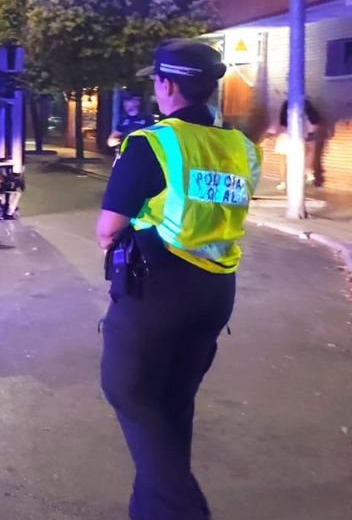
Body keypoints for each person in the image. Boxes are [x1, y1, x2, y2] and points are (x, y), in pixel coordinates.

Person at [95, 39, 261, 520]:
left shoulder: (154, 143)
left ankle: (184, 511)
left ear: (166, 85)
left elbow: (107, 230)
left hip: (158, 289)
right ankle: (150, 511)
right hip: (216, 292)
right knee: (171, 403)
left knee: (127, 389)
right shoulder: (240, 148)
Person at [267, 97, 321, 187]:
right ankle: (307, 172)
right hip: (300, 138)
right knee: (302, 157)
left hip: (285, 136)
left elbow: (278, 125)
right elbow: (314, 125)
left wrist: (269, 134)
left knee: (282, 161)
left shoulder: (286, 108)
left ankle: (283, 182)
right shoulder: (307, 113)